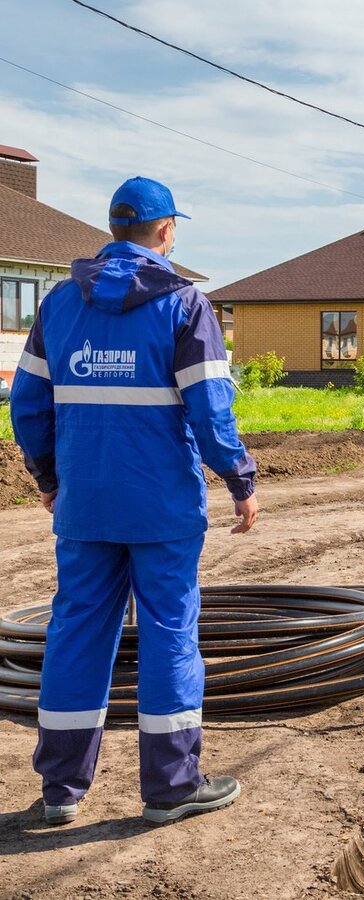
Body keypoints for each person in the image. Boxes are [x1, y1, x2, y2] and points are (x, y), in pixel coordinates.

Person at [10, 176, 259, 827]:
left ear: (114, 229)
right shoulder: (184, 307)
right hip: (162, 510)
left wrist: (47, 477)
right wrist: (240, 479)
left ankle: (60, 791)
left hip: (86, 506)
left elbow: (27, 405)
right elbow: (211, 411)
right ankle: (171, 788)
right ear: (166, 230)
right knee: (169, 635)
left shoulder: (60, 304)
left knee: (76, 634)